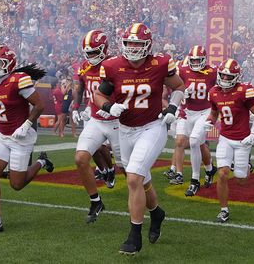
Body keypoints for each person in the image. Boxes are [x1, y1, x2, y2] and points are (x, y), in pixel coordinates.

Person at [93, 23, 185, 255]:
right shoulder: (113, 66)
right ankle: (156, 212)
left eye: (137, 43)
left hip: (152, 127)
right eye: (129, 43)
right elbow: (99, 93)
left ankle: (134, 236)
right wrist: (108, 106)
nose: (133, 48)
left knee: (134, 177)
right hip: (125, 129)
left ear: (147, 45)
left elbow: (179, 86)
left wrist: (172, 108)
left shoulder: (160, 63)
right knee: (141, 180)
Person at [0, 45, 53, 234]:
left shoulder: (19, 80)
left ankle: (41, 161)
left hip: (21, 136)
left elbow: (39, 105)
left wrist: (26, 125)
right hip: (1, 135)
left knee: (16, 184)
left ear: (9, 63)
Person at [198, 59, 254, 222]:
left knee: (241, 179)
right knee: (223, 173)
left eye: (229, 76)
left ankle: (247, 166)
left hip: (242, 140)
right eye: (223, 76)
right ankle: (224, 209)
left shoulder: (243, 91)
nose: (225, 79)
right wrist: (209, 122)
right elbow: (214, 113)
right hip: (225, 138)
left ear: (236, 77)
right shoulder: (213, 91)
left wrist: (253, 134)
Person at [70, 30, 121, 223]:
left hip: (116, 121)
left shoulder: (114, 65)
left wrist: (115, 107)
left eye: (94, 52)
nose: (90, 56)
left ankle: (147, 202)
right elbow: (80, 87)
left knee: (128, 167)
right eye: (87, 52)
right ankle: (96, 201)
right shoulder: (83, 67)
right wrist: (76, 107)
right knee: (81, 158)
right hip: (95, 119)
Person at [170, 46, 217, 196]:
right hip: (187, 112)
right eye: (193, 60)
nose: (196, 63)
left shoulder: (212, 72)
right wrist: (183, 93)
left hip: (204, 111)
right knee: (199, 144)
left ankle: (194, 180)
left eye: (198, 60)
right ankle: (210, 169)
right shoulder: (182, 70)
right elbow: (175, 88)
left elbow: (221, 88)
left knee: (195, 141)